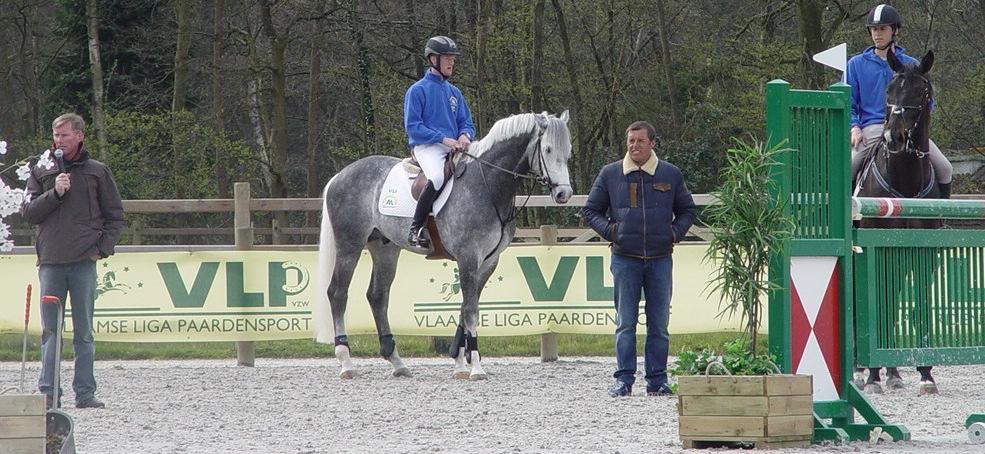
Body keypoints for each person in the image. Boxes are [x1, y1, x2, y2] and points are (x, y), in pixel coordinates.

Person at [583, 121, 696, 397]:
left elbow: (688, 210)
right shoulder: (611, 174)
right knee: (625, 323)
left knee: (659, 324)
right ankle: (624, 380)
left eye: (640, 141)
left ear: (652, 143)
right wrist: (612, 231)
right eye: (630, 141)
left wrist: (674, 234)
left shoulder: (670, 174)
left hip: (660, 259)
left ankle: (657, 381)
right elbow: (590, 211)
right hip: (625, 259)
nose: (634, 146)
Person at [22, 113, 124, 409]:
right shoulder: (41, 169)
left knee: (84, 332)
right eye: (56, 135)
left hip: (83, 262)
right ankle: (49, 393)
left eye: (65, 135)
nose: (59, 141)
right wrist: (55, 192)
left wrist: (101, 249)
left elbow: (115, 216)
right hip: (51, 261)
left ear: (80, 136)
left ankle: (85, 393)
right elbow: (28, 213)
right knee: (51, 331)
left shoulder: (97, 172)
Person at [847, 3, 952, 198]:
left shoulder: (911, 65)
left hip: (908, 128)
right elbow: (849, 102)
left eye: (882, 29)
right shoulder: (855, 64)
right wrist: (855, 127)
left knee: (945, 168)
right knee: (850, 166)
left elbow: (927, 104)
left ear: (894, 31)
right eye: (874, 29)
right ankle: (846, 220)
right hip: (871, 129)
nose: (877, 34)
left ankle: (941, 219)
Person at [403, 35, 476, 248]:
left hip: (454, 146)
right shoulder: (417, 90)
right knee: (435, 177)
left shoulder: (455, 92)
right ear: (433, 59)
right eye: (447, 58)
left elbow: (466, 122)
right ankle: (415, 229)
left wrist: (465, 136)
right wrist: (444, 139)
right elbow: (413, 126)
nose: (452, 62)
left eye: (453, 58)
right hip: (428, 146)